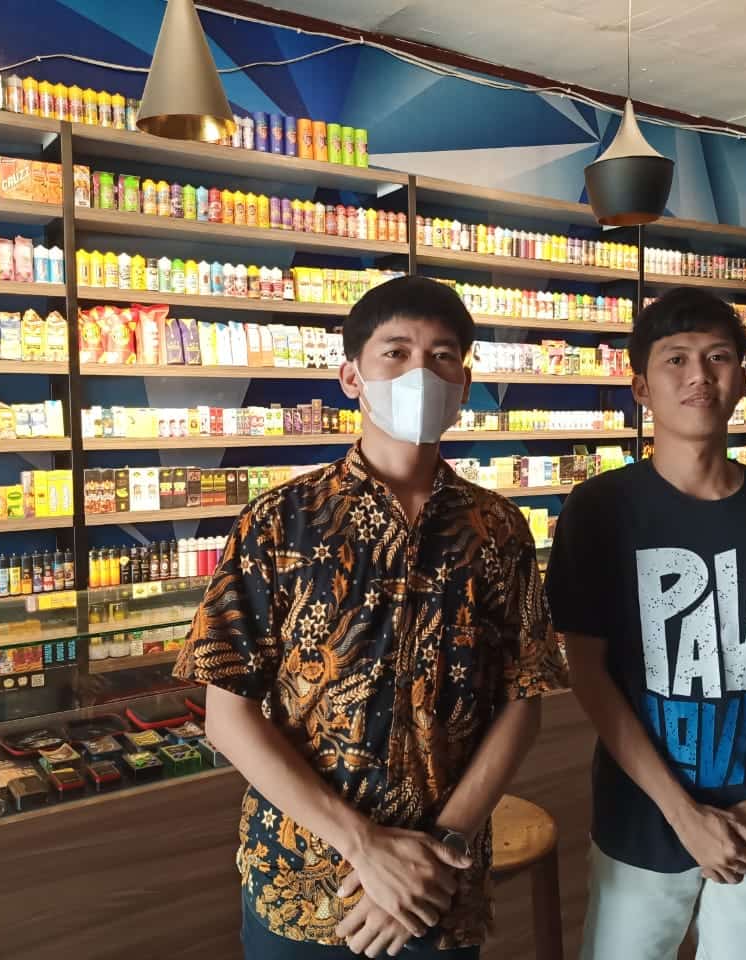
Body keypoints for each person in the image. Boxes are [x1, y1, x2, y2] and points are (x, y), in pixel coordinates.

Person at [175, 275, 567, 960]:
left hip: (438, 886)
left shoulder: (498, 530)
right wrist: (365, 847)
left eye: (442, 356)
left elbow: (522, 700)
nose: (422, 372)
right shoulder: (280, 522)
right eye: (396, 352)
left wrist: (437, 849)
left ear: (464, 383)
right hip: (304, 884)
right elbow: (227, 715)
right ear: (351, 377)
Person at [545, 286, 746, 959]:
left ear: (743, 378)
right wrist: (683, 815)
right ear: (641, 387)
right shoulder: (599, 510)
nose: (699, 375)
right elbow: (589, 673)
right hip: (640, 822)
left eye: (718, 357)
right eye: (676, 359)